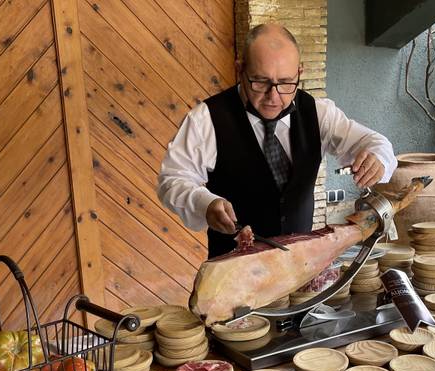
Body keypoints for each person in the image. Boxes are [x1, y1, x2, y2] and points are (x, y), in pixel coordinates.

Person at [157, 23, 397, 258]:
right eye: (260, 82)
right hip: (232, 274)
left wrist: (378, 158)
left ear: (299, 73)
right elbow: (173, 179)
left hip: (299, 267)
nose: (273, 97)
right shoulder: (207, 119)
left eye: (285, 83)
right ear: (240, 69)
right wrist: (205, 203)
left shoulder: (318, 112)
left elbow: (376, 142)